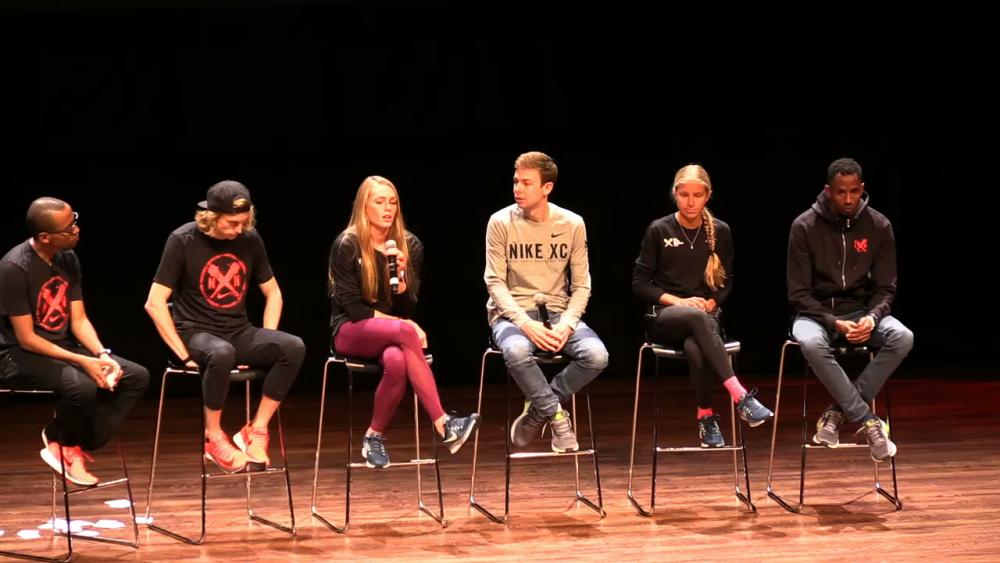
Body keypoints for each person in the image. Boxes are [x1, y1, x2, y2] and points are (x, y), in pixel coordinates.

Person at [145, 180, 305, 473]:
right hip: (195, 333)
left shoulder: (250, 239)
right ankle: (213, 437)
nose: (239, 229)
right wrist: (183, 355)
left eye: (244, 222)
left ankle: (255, 430)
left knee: (292, 347)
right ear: (211, 216)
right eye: (232, 223)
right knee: (221, 353)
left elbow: (274, 293)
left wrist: (268, 337)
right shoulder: (182, 240)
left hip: (238, 332)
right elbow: (154, 303)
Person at [328, 175, 479, 469]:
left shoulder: (409, 245)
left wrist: (400, 284)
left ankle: (373, 437)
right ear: (364, 206)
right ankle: (444, 423)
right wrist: (402, 324)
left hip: (391, 335)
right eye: (379, 202)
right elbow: (354, 310)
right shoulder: (347, 244)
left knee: (397, 361)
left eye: (393, 202)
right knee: (405, 330)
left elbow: (409, 307)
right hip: (349, 330)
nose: (388, 209)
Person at [0, 198, 150, 485]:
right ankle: (65, 446)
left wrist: (102, 355)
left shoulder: (67, 258)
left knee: (135, 376)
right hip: (16, 354)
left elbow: (79, 320)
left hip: (63, 346)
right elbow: (27, 338)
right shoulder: (14, 268)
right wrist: (83, 361)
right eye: (69, 228)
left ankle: (71, 440)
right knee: (82, 387)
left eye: (75, 221)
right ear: (45, 237)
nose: (77, 230)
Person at [632, 164, 773, 447]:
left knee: (696, 347)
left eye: (697, 195)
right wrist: (680, 302)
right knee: (696, 319)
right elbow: (640, 283)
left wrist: (711, 302)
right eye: (684, 195)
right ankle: (741, 397)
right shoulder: (660, 229)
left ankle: (706, 418)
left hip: (704, 320)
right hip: (665, 318)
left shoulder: (720, 231)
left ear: (708, 195)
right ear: (675, 194)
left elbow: (726, 281)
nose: (690, 202)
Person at [788, 157, 914, 462]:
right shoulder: (804, 226)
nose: (848, 199)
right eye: (841, 192)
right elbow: (798, 293)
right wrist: (833, 322)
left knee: (903, 337)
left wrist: (872, 317)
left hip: (861, 312)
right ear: (828, 191)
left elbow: (886, 288)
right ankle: (868, 421)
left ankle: (837, 414)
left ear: (862, 189)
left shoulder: (879, 226)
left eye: (854, 191)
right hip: (815, 314)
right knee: (811, 343)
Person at [485, 151, 609, 453]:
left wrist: (568, 323)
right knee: (516, 351)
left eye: (527, 183)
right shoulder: (500, 222)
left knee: (597, 356)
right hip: (512, 315)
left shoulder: (572, 223)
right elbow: (494, 282)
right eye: (516, 181)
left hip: (558, 314)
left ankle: (538, 408)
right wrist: (525, 324)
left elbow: (582, 284)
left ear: (547, 187)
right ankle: (556, 416)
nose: (518, 188)